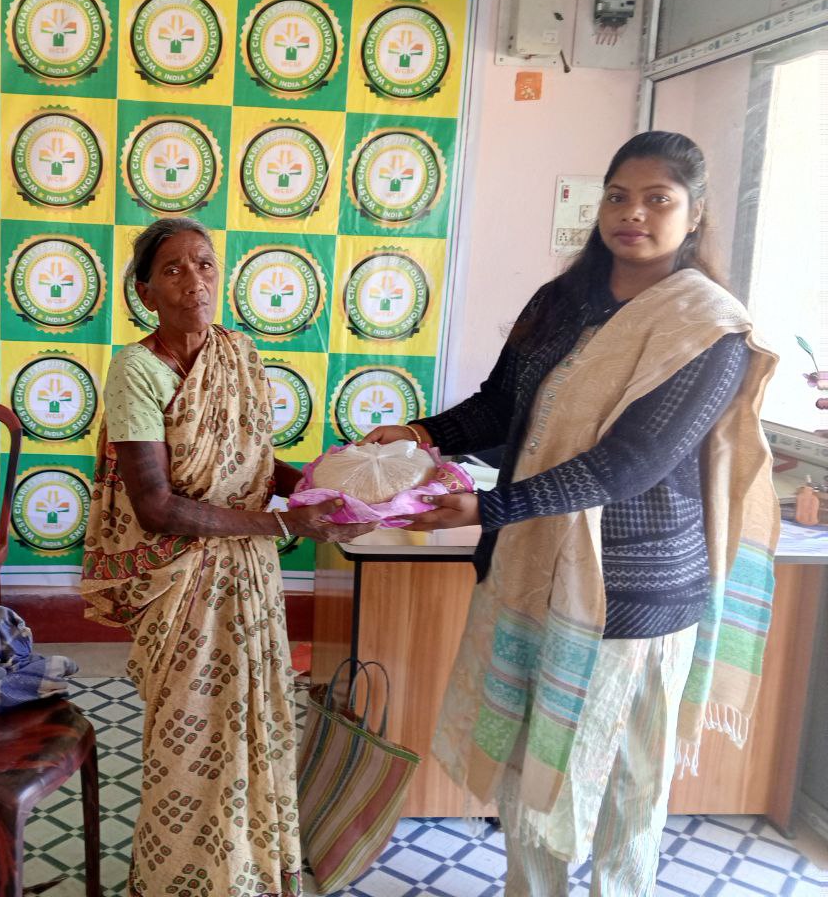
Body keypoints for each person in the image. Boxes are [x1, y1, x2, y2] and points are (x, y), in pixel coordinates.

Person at [364, 131, 780, 896]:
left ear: (695, 215)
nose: (632, 213)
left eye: (658, 199)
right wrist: (424, 433)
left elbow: (631, 464)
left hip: (635, 597)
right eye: (618, 196)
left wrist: (491, 507)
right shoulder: (561, 302)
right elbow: (501, 403)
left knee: (627, 785)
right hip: (531, 575)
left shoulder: (708, 328)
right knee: (531, 769)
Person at [81, 217, 374, 897]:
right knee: (189, 738)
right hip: (183, 584)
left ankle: (246, 874)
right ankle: (179, 881)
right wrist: (283, 524)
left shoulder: (238, 354)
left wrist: (326, 492)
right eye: (174, 269)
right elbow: (155, 506)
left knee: (255, 724)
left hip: (250, 574)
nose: (194, 280)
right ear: (146, 293)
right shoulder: (136, 371)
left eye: (205, 264)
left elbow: (257, 465)